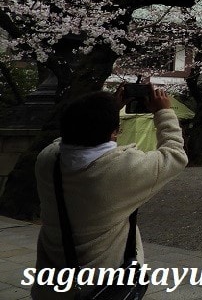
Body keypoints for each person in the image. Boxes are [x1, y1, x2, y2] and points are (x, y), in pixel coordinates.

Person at [33, 86, 188, 299]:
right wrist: (164, 112)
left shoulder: (46, 160)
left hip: (51, 283)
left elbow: (65, 141)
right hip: (103, 287)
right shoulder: (122, 171)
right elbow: (175, 154)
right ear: (114, 132)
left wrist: (106, 111)